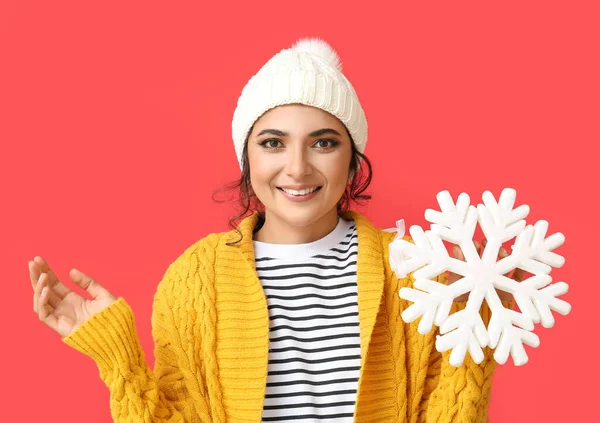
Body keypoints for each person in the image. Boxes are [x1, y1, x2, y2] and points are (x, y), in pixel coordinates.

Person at [29, 38, 521, 422]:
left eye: (323, 143)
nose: (297, 168)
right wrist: (116, 357)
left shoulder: (418, 272)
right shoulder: (193, 281)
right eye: (273, 143)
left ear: (353, 162)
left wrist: (480, 326)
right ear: (247, 160)